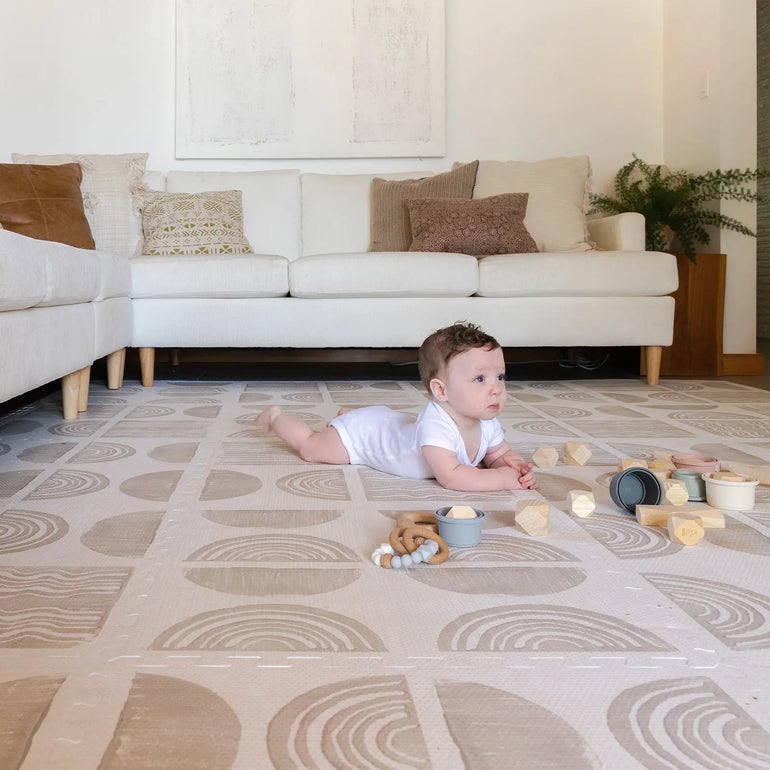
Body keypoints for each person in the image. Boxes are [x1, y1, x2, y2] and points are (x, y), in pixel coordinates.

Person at [256, 322, 536, 491]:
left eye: (500, 376)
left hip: (386, 423)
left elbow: (498, 454)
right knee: (311, 449)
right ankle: (275, 418)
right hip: (362, 437)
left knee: (385, 425)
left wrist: (514, 466)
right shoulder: (436, 425)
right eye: (480, 379)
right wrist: (502, 479)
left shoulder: (486, 420)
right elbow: (451, 477)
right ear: (441, 390)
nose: (496, 388)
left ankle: (351, 415)